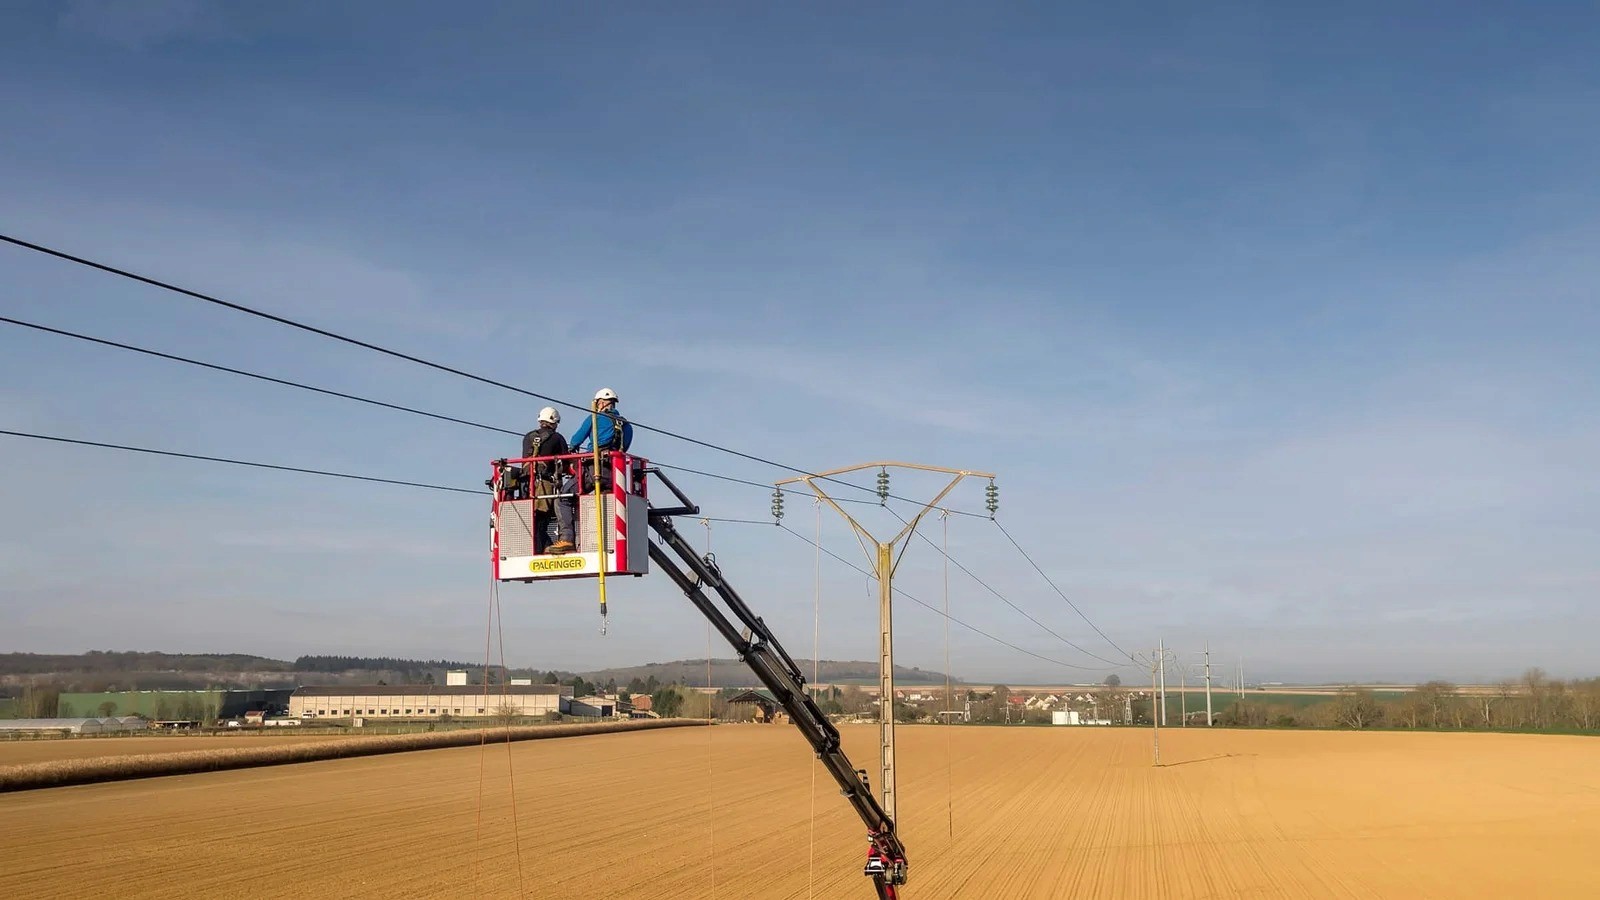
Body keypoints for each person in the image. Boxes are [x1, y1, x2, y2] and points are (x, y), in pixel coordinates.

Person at [552, 388, 634, 553]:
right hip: (615, 473)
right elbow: (624, 448)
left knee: (563, 498)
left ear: (601, 403)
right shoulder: (627, 425)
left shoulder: (595, 418)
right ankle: (610, 542)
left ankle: (567, 540)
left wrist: (570, 453)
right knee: (607, 505)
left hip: (594, 469)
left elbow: (575, 440)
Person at [521, 407, 572, 553]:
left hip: (526, 484)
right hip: (545, 484)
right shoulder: (557, 438)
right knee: (545, 517)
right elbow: (566, 463)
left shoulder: (528, 437)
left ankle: (539, 546)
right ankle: (545, 546)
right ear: (555, 422)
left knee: (534, 517)